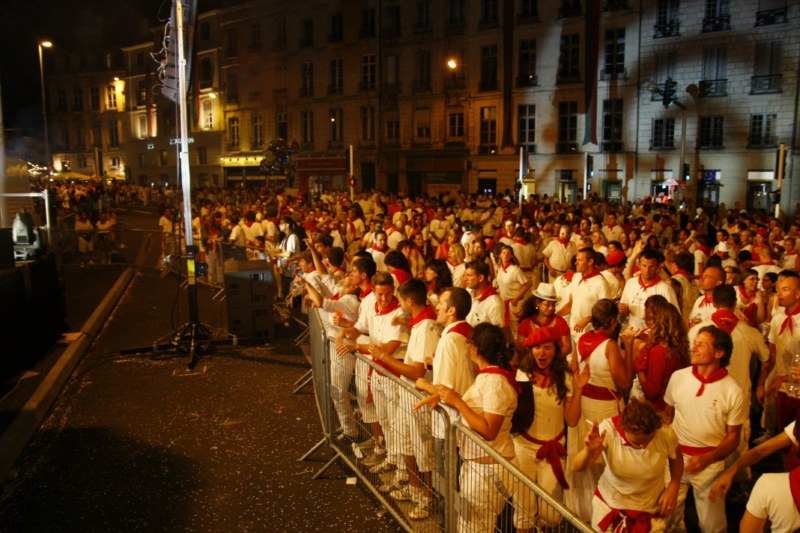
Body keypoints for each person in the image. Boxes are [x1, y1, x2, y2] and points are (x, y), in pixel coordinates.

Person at [420, 323, 520, 533]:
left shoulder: (495, 383)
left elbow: (489, 429)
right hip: (479, 469)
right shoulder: (488, 378)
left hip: (489, 472)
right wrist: (445, 398)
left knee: (475, 528)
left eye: (469, 343)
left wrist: (458, 402)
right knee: (471, 525)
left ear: (476, 348)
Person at [663, 325, 746, 533]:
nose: (695, 348)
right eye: (695, 343)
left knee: (712, 525)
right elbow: (667, 416)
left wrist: (708, 458)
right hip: (675, 458)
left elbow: (733, 436)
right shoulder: (678, 377)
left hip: (710, 467)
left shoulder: (733, 390)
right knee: (666, 515)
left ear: (719, 353)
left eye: (702, 344)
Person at [513, 327, 587, 530]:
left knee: (552, 514)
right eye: (537, 348)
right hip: (523, 448)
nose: (541, 353)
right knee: (523, 510)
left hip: (553, 450)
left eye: (547, 347)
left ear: (556, 350)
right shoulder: (522, 374)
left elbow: (571, 421)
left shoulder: (565, 377)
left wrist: (579, 390)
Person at [572, 398, 683, 532]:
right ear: (624, 428)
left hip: (648, 511)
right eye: (638, 442)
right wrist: (587, 451)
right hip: (610, 506)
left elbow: (676, 458)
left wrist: (675, 484)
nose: (643, 446)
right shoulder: (608, 431)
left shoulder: (665, 435)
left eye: (648, 440)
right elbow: (578, 466)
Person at [567, 298, 632, 522]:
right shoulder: (610, 346)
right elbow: (624, 382)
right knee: (606, 462)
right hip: (606, 409)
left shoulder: (582, 338)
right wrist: (630, 350)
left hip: (584, 403)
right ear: (613, 322)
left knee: (586, 458)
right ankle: (603, 513)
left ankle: (583, 511)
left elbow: (574, 368)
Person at [383, 279, 441, 519]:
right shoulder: (418, 323)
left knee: (422, 448)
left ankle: (429, 496)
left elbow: (418, 371)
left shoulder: (427, 325)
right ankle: (414, 488)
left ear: (409, 301)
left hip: (419, 395)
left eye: (400, 300)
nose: (399, 305)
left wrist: (384, 357)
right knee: (407, 441)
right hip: (408, 393)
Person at [623, 294, 689, 416]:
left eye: (651, 319)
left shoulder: (659, 351)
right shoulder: (679, 346)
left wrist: (639, 369)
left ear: (659, 323)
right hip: (675, 406)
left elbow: (651, 391)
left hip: (657, 410)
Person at [618, 249, 680, 331]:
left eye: (651, 266)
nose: (647, 270)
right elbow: (623, 315)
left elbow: (675, 318)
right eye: (644, 266)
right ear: (639, 265)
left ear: (657, 267)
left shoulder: (666, 289)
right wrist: (622, 310)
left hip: (654, 337)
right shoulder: (630, 283)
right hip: (632, 335)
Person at [515, 283, 571, 359]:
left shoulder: (560, 322)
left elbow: (567, 347)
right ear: (538, 303)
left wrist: (551, 357)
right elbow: (519, 346)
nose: (551, 308)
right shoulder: (526, 323)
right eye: (547, 305)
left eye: (553, 305)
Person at [495, 245, 532, 341]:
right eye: (503, 253)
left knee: (516, 329)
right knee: (507, 328)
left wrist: (516, 299)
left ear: (512, 256)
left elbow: (527, 284)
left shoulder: (515, 270)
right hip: (504, 302)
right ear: (499, 255)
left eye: (508, 253)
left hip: (514, 303)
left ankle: (520, 350)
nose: (505, 255)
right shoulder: (500, 269)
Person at [464, 260, 505, 329]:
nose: (465, 279)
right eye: (465, 275)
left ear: (480, 278)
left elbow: (498, 333)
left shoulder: (494, 304)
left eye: (469, 275)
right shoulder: (468, 292)